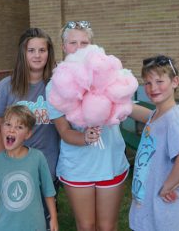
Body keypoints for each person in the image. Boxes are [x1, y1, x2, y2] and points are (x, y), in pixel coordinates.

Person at [46, 21, 130, 231]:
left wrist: (161, 115)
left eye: (84, 42)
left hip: (110, 161)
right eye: (73, 42)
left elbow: (127, 106)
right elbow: (64, 131)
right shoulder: (55, 85)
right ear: (64, 47)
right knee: (86, 226)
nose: (79, 48)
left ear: (93, 46)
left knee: (107, 226)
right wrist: (85, 138)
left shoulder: (110, 75)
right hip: (78, 166)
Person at [0, 27, 60, 226]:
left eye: (42, 50)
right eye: (31, 50)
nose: (37, 55)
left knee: (43, 220)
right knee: (16, 219)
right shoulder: (6, 86)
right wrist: (2, 161)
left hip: (47, 166)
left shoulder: (57, 85)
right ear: (23, 53)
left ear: (49, 53)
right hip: (14, 167)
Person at [128, 55, 179, 231]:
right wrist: (121, 105)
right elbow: (144, 114)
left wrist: (168, 186)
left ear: (175, 81)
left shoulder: (173, 118)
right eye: (148, 83)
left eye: (159, 81)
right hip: (150, 204)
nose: (153, 88)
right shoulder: (158, 114)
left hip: (164, 211)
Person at [0, 105, 58, 231]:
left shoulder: (37, 158)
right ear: (1, 127)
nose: (12, 130)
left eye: (19, 127)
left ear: (28, 134)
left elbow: (48, 191)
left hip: (35, 226)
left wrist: (53, 218)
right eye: (8, 124)